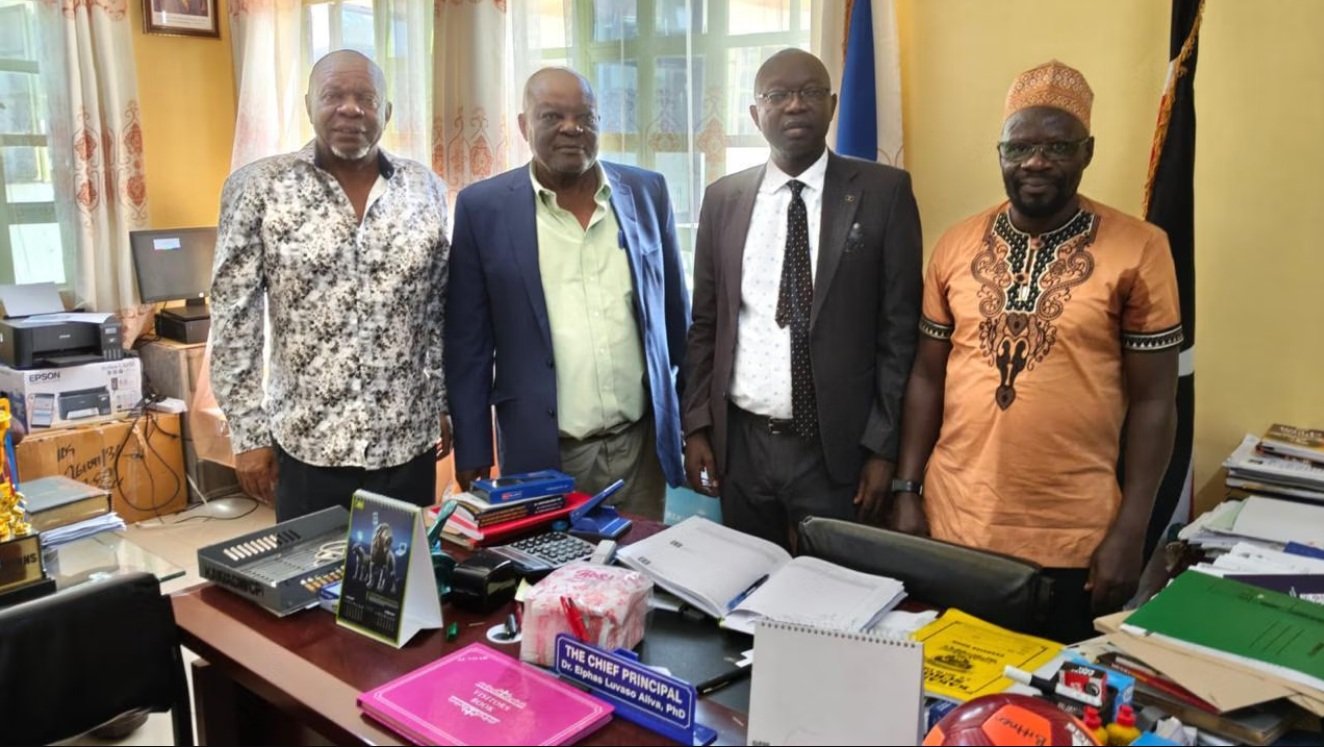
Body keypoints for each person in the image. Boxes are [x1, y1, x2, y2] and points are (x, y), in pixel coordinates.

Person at [890, 60, 1182, 642]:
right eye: (1020, 147)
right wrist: (906, 490)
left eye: (1057, 145)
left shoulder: (1141, 249)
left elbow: (1156, 402)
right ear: (999, 153)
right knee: (950, 703)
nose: (1037, 162)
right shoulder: (955, 244)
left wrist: (1131, 529)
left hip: (1075, 534)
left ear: (1088, 151)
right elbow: (926, 378)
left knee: (1050, 712)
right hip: (954, 525)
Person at [682, 48, 923, 549]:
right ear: (755, 113)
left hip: (837, 452)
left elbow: (898, 334)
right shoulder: (723, 199)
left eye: (810, 92)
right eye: (778, 95)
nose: (795, 105)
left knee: (832, 604)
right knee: (745, 592)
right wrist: (697, 428)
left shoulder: (885, 193)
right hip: (743, 446)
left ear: (832, 105)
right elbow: (706, 323)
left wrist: (883, 452)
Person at [210, 50, 452, 522]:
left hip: (405, 441)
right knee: (309, 586)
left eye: (366, 98)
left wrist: (445, 403)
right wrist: (249, 433)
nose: (350, 109)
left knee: (402, 586)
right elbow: (234, 317)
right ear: (308, 105)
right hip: (307, 443)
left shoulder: (424, 189)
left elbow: (439, 308)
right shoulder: (259, 187)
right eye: (334, 95)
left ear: (386, 111)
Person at [444, 68, 689, 520]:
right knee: (548, 585)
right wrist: (473, 446)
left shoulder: (646, 191)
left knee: (637, 577)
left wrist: (694, 426)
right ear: (523, 124)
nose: (571, 128)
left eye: (586, 117)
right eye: (552, 115)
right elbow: (468, 346)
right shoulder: (484, 209)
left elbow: (677, 318)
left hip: (640, 449)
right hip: (545, 454)